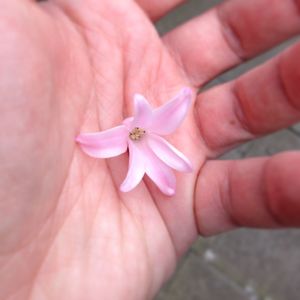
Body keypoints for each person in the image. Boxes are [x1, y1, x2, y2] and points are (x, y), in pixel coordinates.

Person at [1, 0, 300, 299]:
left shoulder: (142, 129)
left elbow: (158, 160)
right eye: (135, 130)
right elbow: (117, 148)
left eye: (137, 129)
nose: (136, 131)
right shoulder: (135, 128)